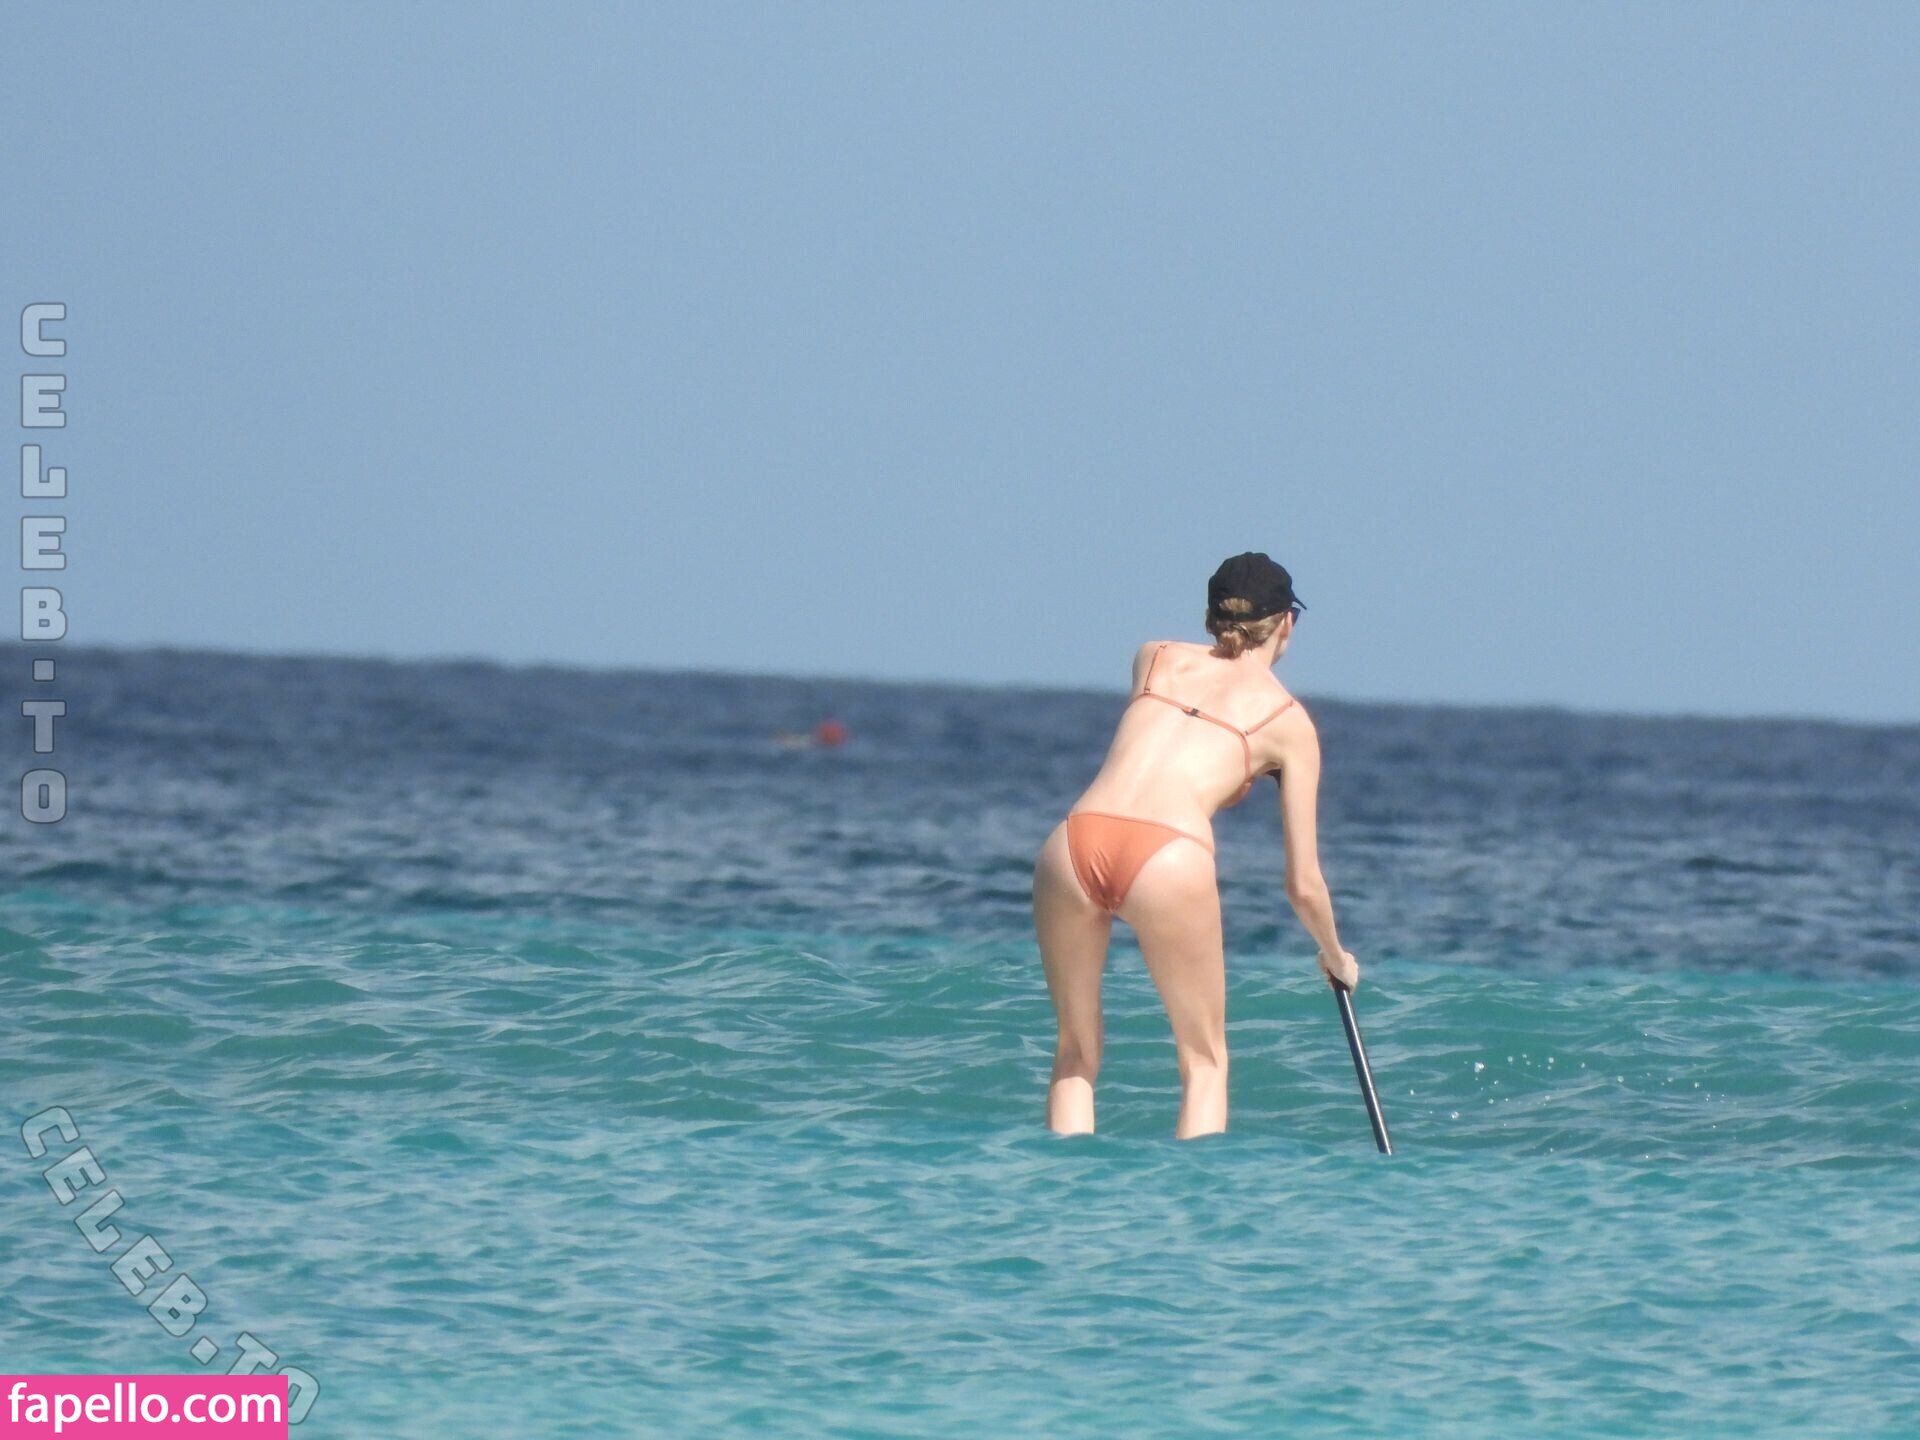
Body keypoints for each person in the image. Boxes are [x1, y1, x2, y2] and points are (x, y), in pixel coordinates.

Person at [1032, 553, 1359, 1139]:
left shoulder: (1153, 656)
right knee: (1204, 1063)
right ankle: (1194, 1196)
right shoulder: (1291, 724)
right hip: (1168, 852)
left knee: (1075, 1052)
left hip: (1076, 839)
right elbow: (1303, 885)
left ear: (1212, 616)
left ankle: (1065, 1185)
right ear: (1286, 624)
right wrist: (1335, 956)